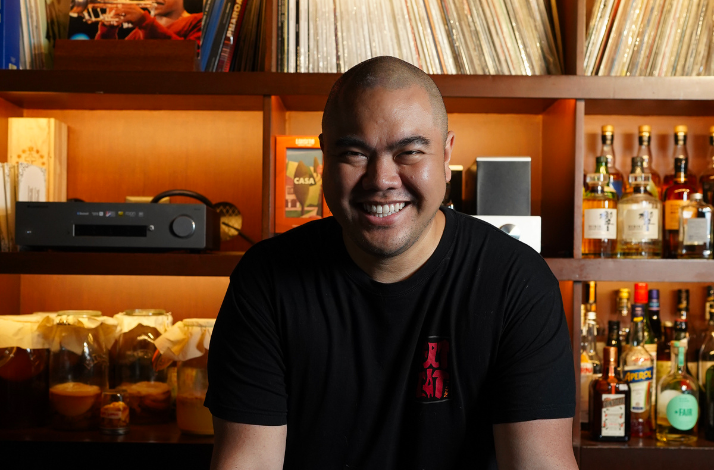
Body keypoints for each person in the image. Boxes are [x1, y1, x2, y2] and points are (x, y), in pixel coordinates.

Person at [206, 56, 577, 470]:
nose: (381, 179)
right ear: (324, 155)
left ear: (446, 154)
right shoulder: (266, 280)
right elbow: (248, 462)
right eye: (354, 153)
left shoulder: (517, 282)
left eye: (410, 152)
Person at [95, 0, 202, 42]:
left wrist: (143, 20)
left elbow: (188, 58)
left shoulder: (198, 21)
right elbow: (109, 62)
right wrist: (108, 30)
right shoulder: (138, 32)